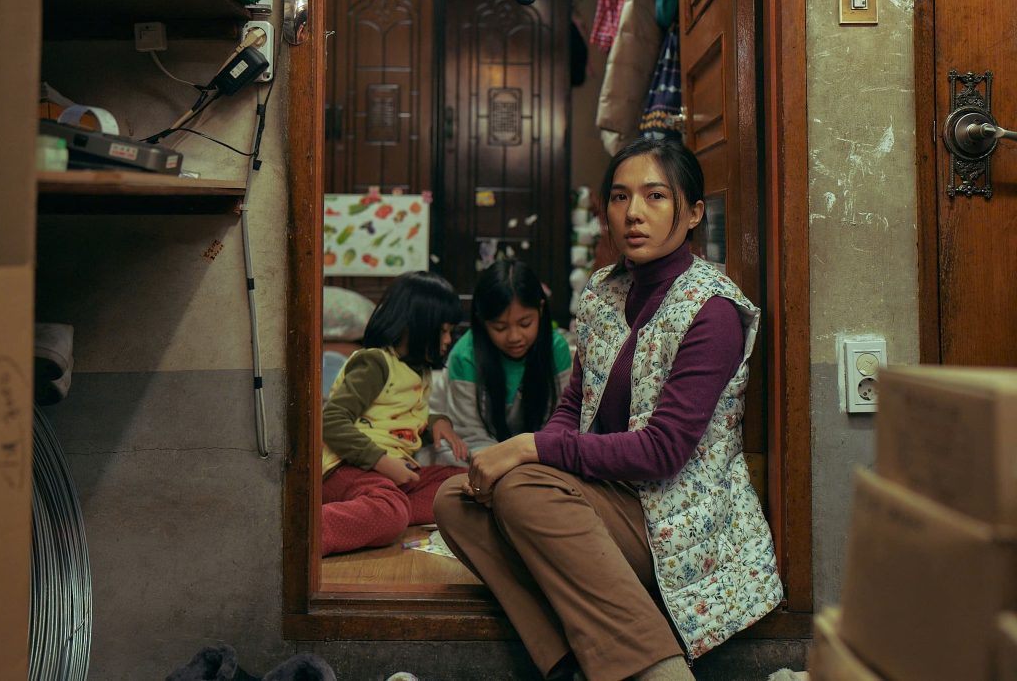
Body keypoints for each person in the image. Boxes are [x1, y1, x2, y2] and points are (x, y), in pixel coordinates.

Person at [433, 137, 782, 681]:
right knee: (457, 498)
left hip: (675, 513)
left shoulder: (711, 309)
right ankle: (570, 665)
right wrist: (534, 454)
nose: (633, 213)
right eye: (620, 197)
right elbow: (575, 405)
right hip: (611, 496)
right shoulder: (607, 291)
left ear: (693, 213)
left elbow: (662, 452)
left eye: (655, 196)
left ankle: (658, 671)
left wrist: (529, 449)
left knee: (523, 487)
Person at [320, 271, 469, 556]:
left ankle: (384, 509)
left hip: (391, 472)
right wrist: (383, 462)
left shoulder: (418, 370)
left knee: (461, 482)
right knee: (391, 511)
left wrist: (436, 423)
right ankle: (306, 530)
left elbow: (397, 419)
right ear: (415, 327)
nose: (448, 340)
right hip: (349, 467)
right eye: (443, 331)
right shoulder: (375, 363)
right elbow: (331, 421)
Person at [436, 259, 573, 453]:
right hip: (480, 449)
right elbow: (470, 435)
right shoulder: (465, 356)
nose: (514, 337)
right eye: (500, 327)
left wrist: (530, 456)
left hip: (534, 453)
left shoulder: (556, 348)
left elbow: (559, 423)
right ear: (482, 321)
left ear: (541, 309)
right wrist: (505, 460)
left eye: (525, 324)